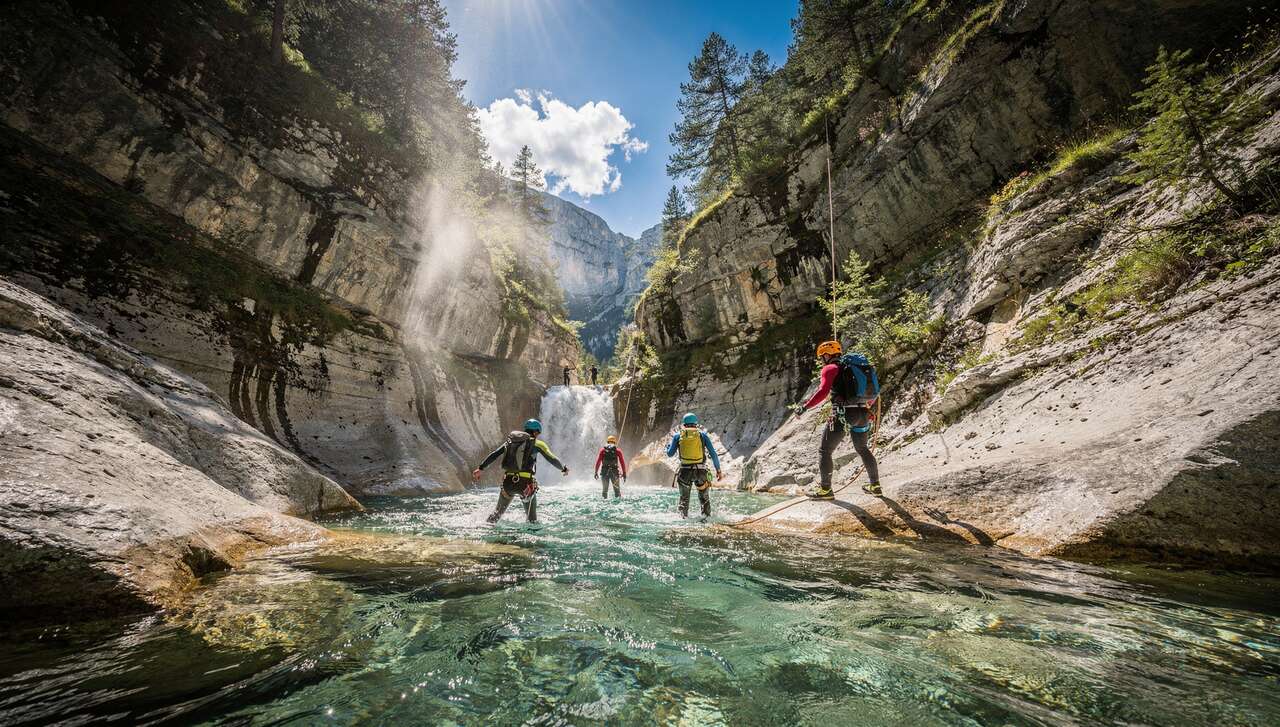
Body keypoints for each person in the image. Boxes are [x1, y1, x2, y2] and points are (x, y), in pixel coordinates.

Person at [797, 340, 881, 499]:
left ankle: (826, 490)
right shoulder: (854, 369)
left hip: (843, 415)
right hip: (863, 414)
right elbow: (872, 393)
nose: (822, 360)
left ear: (827, 355)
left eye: (822, 357)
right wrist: (866, 407)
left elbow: (822, 392)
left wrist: (804, 407)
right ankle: (875, 486)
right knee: (862, 449)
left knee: (825, 450)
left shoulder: (830, 368)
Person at [472, 418, 568, 523]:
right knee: (532, 520)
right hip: (525, 485)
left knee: (496, 514)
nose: (538, 435)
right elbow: (551, 458)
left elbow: (495, 454)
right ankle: (531, 538)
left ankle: (483, 530)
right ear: (535, 432)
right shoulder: (537, 443)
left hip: (508, 483)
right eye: (538, 433)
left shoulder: (510, 442)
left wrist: (480, 468)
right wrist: (563, 468)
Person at [665, 412, 723, 519]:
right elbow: (713, 454)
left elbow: (670, 454)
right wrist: (718, 470)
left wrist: (667, 447)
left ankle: (683, 519)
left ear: (684, 424)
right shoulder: (702, 435)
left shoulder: (678, 436)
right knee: (704, 498)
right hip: (700, 472)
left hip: (684, 472)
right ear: (696, 424)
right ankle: (706, 519)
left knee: (684, 499)